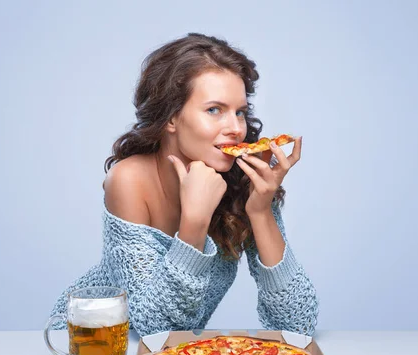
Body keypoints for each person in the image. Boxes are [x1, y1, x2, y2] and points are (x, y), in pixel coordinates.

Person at [49, 33, 319, 337]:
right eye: (214, 110)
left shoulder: (242, 181)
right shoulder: (128, 180)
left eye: (240, 112)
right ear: (171, 118)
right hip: (91, 343)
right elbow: (153, 331)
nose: (235, 128)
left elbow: (298, 325)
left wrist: (260, 211)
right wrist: (194, 223)